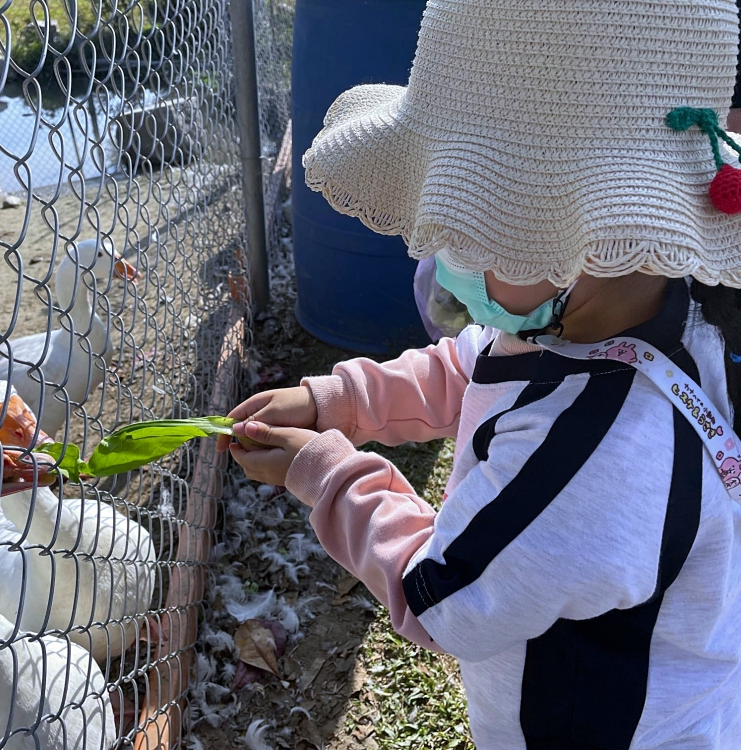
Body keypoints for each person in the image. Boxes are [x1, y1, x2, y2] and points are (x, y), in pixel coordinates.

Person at [220, 1, 741, 748]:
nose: (445, 255)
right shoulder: (629, 312)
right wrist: (337, 400)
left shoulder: (597, 454)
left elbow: (442, 595)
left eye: (482, 226)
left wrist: (325, 473)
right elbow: (471, 367)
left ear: (592, 232)